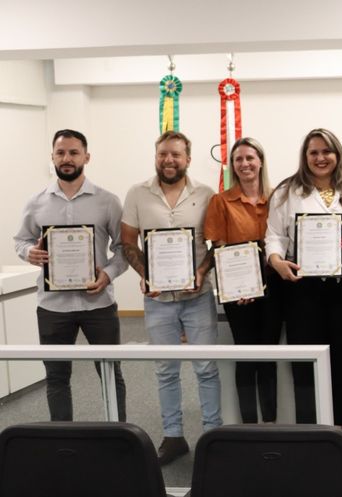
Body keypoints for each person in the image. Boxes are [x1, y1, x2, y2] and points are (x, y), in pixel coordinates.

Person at [121, 130, 221, 465]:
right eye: (163, 153)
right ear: (156, 156)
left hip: (198, 296)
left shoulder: (205, 194)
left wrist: (202, 271)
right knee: (166, 370)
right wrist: (145, 273)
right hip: (158, 299)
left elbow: (216, 243)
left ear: (187, 159)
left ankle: (212, 436)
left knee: (206, 368)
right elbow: (127, 242)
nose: (168, 160)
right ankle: (174, 436)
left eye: (176, 154)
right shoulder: (137, 193)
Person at [14, 129, 128, 422]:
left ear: (86, 157)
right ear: (52, 157)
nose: (67, 158)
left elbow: (123, 249)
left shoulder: (108, 201)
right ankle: (61, 437)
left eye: (74, 152)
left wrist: (108, 275)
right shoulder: (36, 202)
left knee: (110, 372)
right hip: (53, 307)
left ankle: (118, 436)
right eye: (61, 152)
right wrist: (29, 253)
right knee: (56, 377)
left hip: (99, 304)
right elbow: (21, 241)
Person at [265, 128, 342, 427]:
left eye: (326, 151)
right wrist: (276, 261)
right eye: (314, 152)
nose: (320, 158)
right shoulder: (286, 191)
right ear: (305, 157)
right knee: (305, 361)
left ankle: (339, 427)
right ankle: (308, 429)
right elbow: (274, 235)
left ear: (337, 155)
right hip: (302, 288)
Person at [203, 137, 283, 424]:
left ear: (260, 161)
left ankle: (270, 423)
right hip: (238, 291)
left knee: (268, 356)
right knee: (246, 355)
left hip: (274, 287)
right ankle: (249, 425)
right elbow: (218, 246)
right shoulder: (221, 201)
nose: (244, 163)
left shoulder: (278, 198)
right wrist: (238, 286)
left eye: (250, 158)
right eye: (238, 159)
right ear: (232, 165)